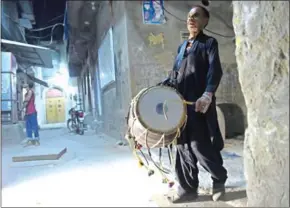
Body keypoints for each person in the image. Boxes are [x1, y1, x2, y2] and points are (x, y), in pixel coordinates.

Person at [160, 5, 228, 203]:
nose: (191, 19)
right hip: (181, 107)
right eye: (189, 16)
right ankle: (187, 190)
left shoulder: (209, 43)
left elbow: (214, 71)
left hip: (199, 105)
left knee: (200, 146)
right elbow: (174, 76)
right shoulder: (182, 47)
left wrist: (207, 95)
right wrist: (159, 89)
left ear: (205, 21)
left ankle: (219, 180)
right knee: (182, 147)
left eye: (197, 15)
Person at [21, 82, 40, 147]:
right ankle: (30, 140)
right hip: (27, 112)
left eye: (26, 87)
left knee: (34, 127)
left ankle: (37, 140)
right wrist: (23, 108)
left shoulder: (31, 92)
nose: (26, 88)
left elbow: (27, 100)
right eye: (25, 87)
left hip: (32, 112)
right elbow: (25, 102)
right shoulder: (26, 94)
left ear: (29, 86)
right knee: (28, 127)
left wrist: (23, 104)